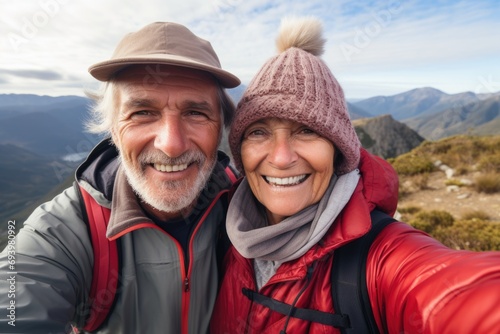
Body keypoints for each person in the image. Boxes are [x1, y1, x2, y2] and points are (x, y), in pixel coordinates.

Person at [210, 17, 500, 334]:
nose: (281, 158)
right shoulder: (220, 228)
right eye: (258, 132)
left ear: (338, 151)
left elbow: (459, 295)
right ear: (241, 151)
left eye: (307, 130)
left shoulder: (381, 260)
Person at [0, 21, 240, 333]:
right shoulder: (68, 230)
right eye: (143, 112)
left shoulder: (245, 209)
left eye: (195, 113)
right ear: (113, 128)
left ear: (219, 127)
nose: (171, 144)